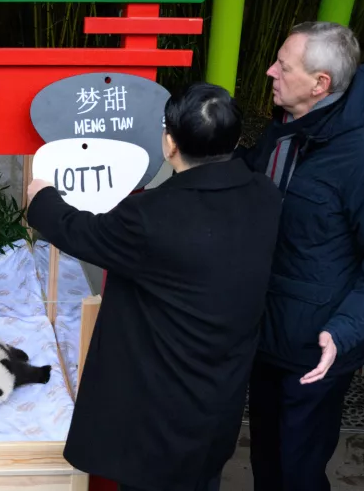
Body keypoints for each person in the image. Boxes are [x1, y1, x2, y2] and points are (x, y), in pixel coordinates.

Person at [26, 82, 283, 491]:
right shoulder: (265, 196)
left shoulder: (154, 216)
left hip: (158, 407)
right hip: (220, 394)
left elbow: (83, 233)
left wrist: (42, 198)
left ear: (169, 143)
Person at [236, 21, 364, 491]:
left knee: (298, 471)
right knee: (266, 461)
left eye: (283, 66)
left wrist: (342, 330)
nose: (270, 71)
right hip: (267, 335)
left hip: (319, 350)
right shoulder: (284, 132)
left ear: (321, 84)